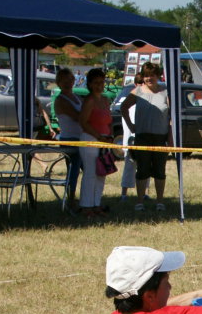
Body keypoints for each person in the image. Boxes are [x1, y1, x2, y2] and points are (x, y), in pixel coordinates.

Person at [121, 61, 172, 213]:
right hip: (142, 137)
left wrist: (170, 138)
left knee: (159, 171)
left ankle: (160, 201)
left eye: (153, 75)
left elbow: (171, 117)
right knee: (142, 170)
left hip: (160, 138)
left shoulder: (165, 92)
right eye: (147, 75)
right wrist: (131, 126)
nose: (150, 78)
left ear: (158, 76)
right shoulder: (137, 91)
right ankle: (139, 201)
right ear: (143, 77)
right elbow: (123, 108)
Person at [78, 68, 113, 218]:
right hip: (90, 139)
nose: (100, 85)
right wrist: (98, 136)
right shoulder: (89, 100)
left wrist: (109, 135)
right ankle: (86, 206)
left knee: (101, 173)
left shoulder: (105, 100)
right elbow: (83, 122)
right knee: (90, 173)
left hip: (104, 139)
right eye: (96, 83)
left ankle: (97, 203)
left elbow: (109, 120)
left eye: (102, 82)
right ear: (90, 84)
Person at [53, 67, 83, 212]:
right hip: (69, 140)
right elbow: (78, 117)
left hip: (82, 139)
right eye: (64, 80)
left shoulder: (76, 97)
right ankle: (71, 199)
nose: (68, 83)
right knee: (73, 171)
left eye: (70, 79)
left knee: (88, 170)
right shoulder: (60, 100)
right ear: (58, 82)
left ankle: (84, 198)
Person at [119, 73, 150, 201]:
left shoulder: (145, 101)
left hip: (144, 140)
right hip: (131, 141)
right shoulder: (131, 102)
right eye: (141, 84)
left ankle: (145, 193)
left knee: (146, 168)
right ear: (136, 85)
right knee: (129, 168)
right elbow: (129, 121)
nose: (143, 86)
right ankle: (124, 194)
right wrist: (132, 128)